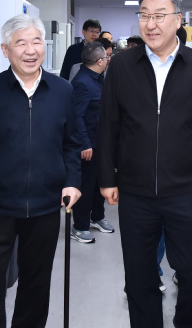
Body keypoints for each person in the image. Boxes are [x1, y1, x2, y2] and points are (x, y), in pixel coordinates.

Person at [98, 0, 192, 328]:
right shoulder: (122, 66)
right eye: (144, 16)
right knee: (139, 276)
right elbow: (108, 125)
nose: (150, 24)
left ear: (178, 19)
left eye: (159, 16)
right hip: (135, 191)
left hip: (185, 190)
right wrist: (107, 177)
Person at [0, 14, 82, 328]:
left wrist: (72, 182)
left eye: (36, 42)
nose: (30, 50)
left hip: (45, 204)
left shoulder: (62, 90)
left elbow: (72, 144)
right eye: (21, 43)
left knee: (36, 282)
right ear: (5, 50)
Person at [69, 41, 114, 243]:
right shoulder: (82, 83)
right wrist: (84, 143)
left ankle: (97, 217)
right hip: (88, 145)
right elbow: (76, 117)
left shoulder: (98, 78)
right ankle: (79, 227)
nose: (108, 60)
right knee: (86, 187)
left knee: (98, 184)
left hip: (100, 142)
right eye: (106, 57)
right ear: (99, 61)